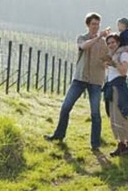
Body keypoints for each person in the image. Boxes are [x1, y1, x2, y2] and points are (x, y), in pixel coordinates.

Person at [45, 12, 109, 151]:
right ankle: (59, 135)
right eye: (93, 24)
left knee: (95, 113)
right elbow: (84, 47)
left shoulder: (104, 43)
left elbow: (107, 58)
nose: (96, 27)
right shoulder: (82, 38)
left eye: (97, 24)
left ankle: (95, 144)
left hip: (96, 81)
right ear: (88, 25)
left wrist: (107, 63)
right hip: (79, 79)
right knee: (66, 107)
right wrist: (98, 37)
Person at [101, 34, 128, 156]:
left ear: (118, 43)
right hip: (110, 86)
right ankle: (121, 144)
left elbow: (123, 71)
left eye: (113, 42)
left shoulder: (123, 54)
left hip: (118, 86)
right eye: (109, 43)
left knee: (121, 117)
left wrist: (113, 63)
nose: (111, 45)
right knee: (113, 118)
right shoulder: (112, 55)